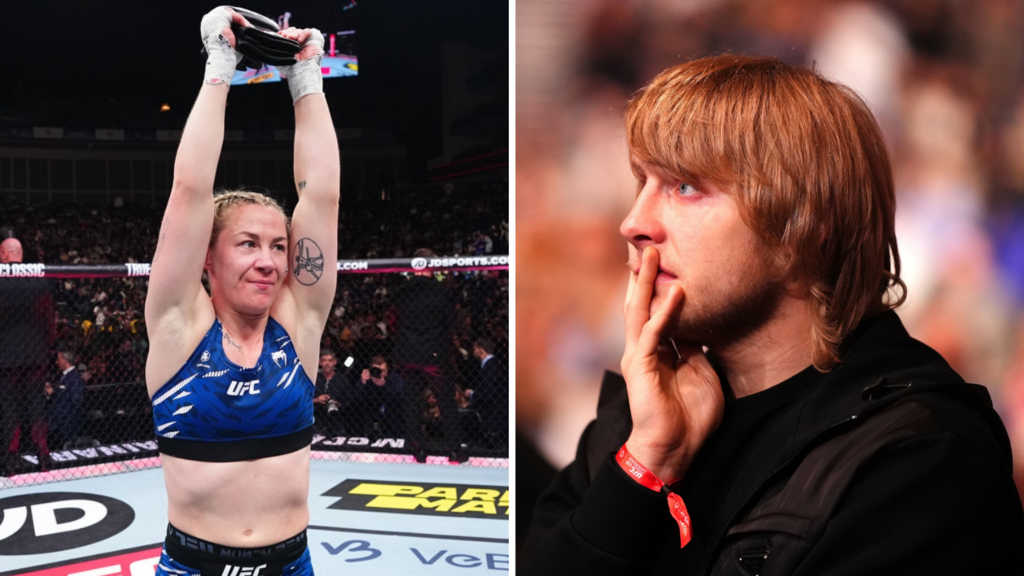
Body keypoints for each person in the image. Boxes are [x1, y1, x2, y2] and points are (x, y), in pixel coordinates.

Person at [523, 55, 1024, 574]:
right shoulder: (640, 419)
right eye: (641, 183)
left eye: (684, 187)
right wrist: (645, 464)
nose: (633, 223)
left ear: (802, 228)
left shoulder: (920, 459)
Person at [145, 8, 338, 576]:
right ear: (208, 257)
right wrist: (221, 62)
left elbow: (321, 196)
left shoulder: (299, 325)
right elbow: (190, 188)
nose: (268, 262)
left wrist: (306, 79)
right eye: (249, 244)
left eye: (279, 247)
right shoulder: (179, 327)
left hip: (291, 565)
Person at [392, 248, 460, 460]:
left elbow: (394, 322)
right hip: (434, 353)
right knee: (446, 401)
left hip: (408, 353)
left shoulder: (401, 291)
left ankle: (418, 450)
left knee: (412, 402)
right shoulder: (442, 291)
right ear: (431, 266)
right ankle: (454, 450)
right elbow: (450, 323)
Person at [0, 237, 53, 473]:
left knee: (10, 407)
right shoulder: (38, 278)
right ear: (20, 253)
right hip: (35, 353)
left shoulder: (1, 278)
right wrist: (46, 346)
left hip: (6, 355)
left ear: (3, 254)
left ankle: (11, 457)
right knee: (36, 405)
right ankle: (43, 455)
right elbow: (49, 318)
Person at [467, 337, 507, 448]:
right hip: (493, 411)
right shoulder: (493, 365)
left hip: (492, 412)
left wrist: (472, 394)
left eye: (475, 349)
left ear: (481, 349)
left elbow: (488, 392)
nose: (473, 352)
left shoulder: (491, 366)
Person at [46, 346, 85, 450]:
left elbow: (76, 400)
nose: (56, 362)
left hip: (66, 424)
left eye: (58, 359)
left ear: (64, 360)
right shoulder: (65, 376)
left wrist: (54, 394)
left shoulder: (74, 378)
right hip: (60, 423)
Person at [357, 355, 405, 437]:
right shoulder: (367, 380)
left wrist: (384, 385)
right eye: (376, 370)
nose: (380, 373)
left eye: (383, 370)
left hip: (393, 421)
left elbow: (399, 396)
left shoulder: (394, 379)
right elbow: (355, 399)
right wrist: (362, 382)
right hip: (371, 419)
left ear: (387, 369)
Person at [314, 349, 350, 436]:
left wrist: (338, 404)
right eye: (324, 360)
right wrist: (316, 400)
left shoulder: (342, 379)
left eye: (330, 360)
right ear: (320, 362)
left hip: (338, 420)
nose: (327, 363)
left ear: (335, 362)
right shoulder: (313, 378)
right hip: (316, 419)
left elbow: (350, 400)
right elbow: (303, 398)